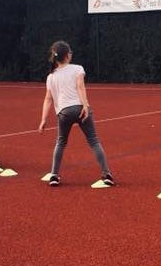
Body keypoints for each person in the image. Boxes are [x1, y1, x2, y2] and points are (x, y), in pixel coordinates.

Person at [38, 40, 114, 187]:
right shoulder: (77, 69)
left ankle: (54, 175)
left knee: (60, 143)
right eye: (70, 52)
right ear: (67, 56)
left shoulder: (51, 76)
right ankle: (106, 174)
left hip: (63, 113)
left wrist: (43, 119)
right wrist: (85, 105)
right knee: (94, 141)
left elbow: (48, 99)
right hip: (79, 108)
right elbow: (80, 87)